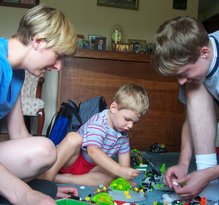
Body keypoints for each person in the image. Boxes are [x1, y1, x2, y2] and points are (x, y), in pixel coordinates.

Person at [0, 4, 78, 205]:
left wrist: (41, 185)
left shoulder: (15, 72)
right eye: (58, 55)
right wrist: (23, 193)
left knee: (45, 150)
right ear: (38, 41)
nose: (58, 66)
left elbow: (19, 134)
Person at [152, 16, 219, 201]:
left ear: (205, 53)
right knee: (194, 86)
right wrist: (183, 163)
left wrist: (211, 174)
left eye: (184, 73)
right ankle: (208, 175)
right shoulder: (197, 54)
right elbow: (192, 119)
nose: (180, 81)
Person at [40, 84, 149, 186]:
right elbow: (92, 151)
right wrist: (119, 170)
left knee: (110, 176)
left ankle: (64, 179)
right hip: (72, 160)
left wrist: (125, 177)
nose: (130, 125)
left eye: (134, 122)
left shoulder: (123, 132)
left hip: (92, 167)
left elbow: (124, 155)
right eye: (127, 119)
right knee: (73, 138)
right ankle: (49, 175)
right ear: (114, 108)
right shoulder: (99, 122)